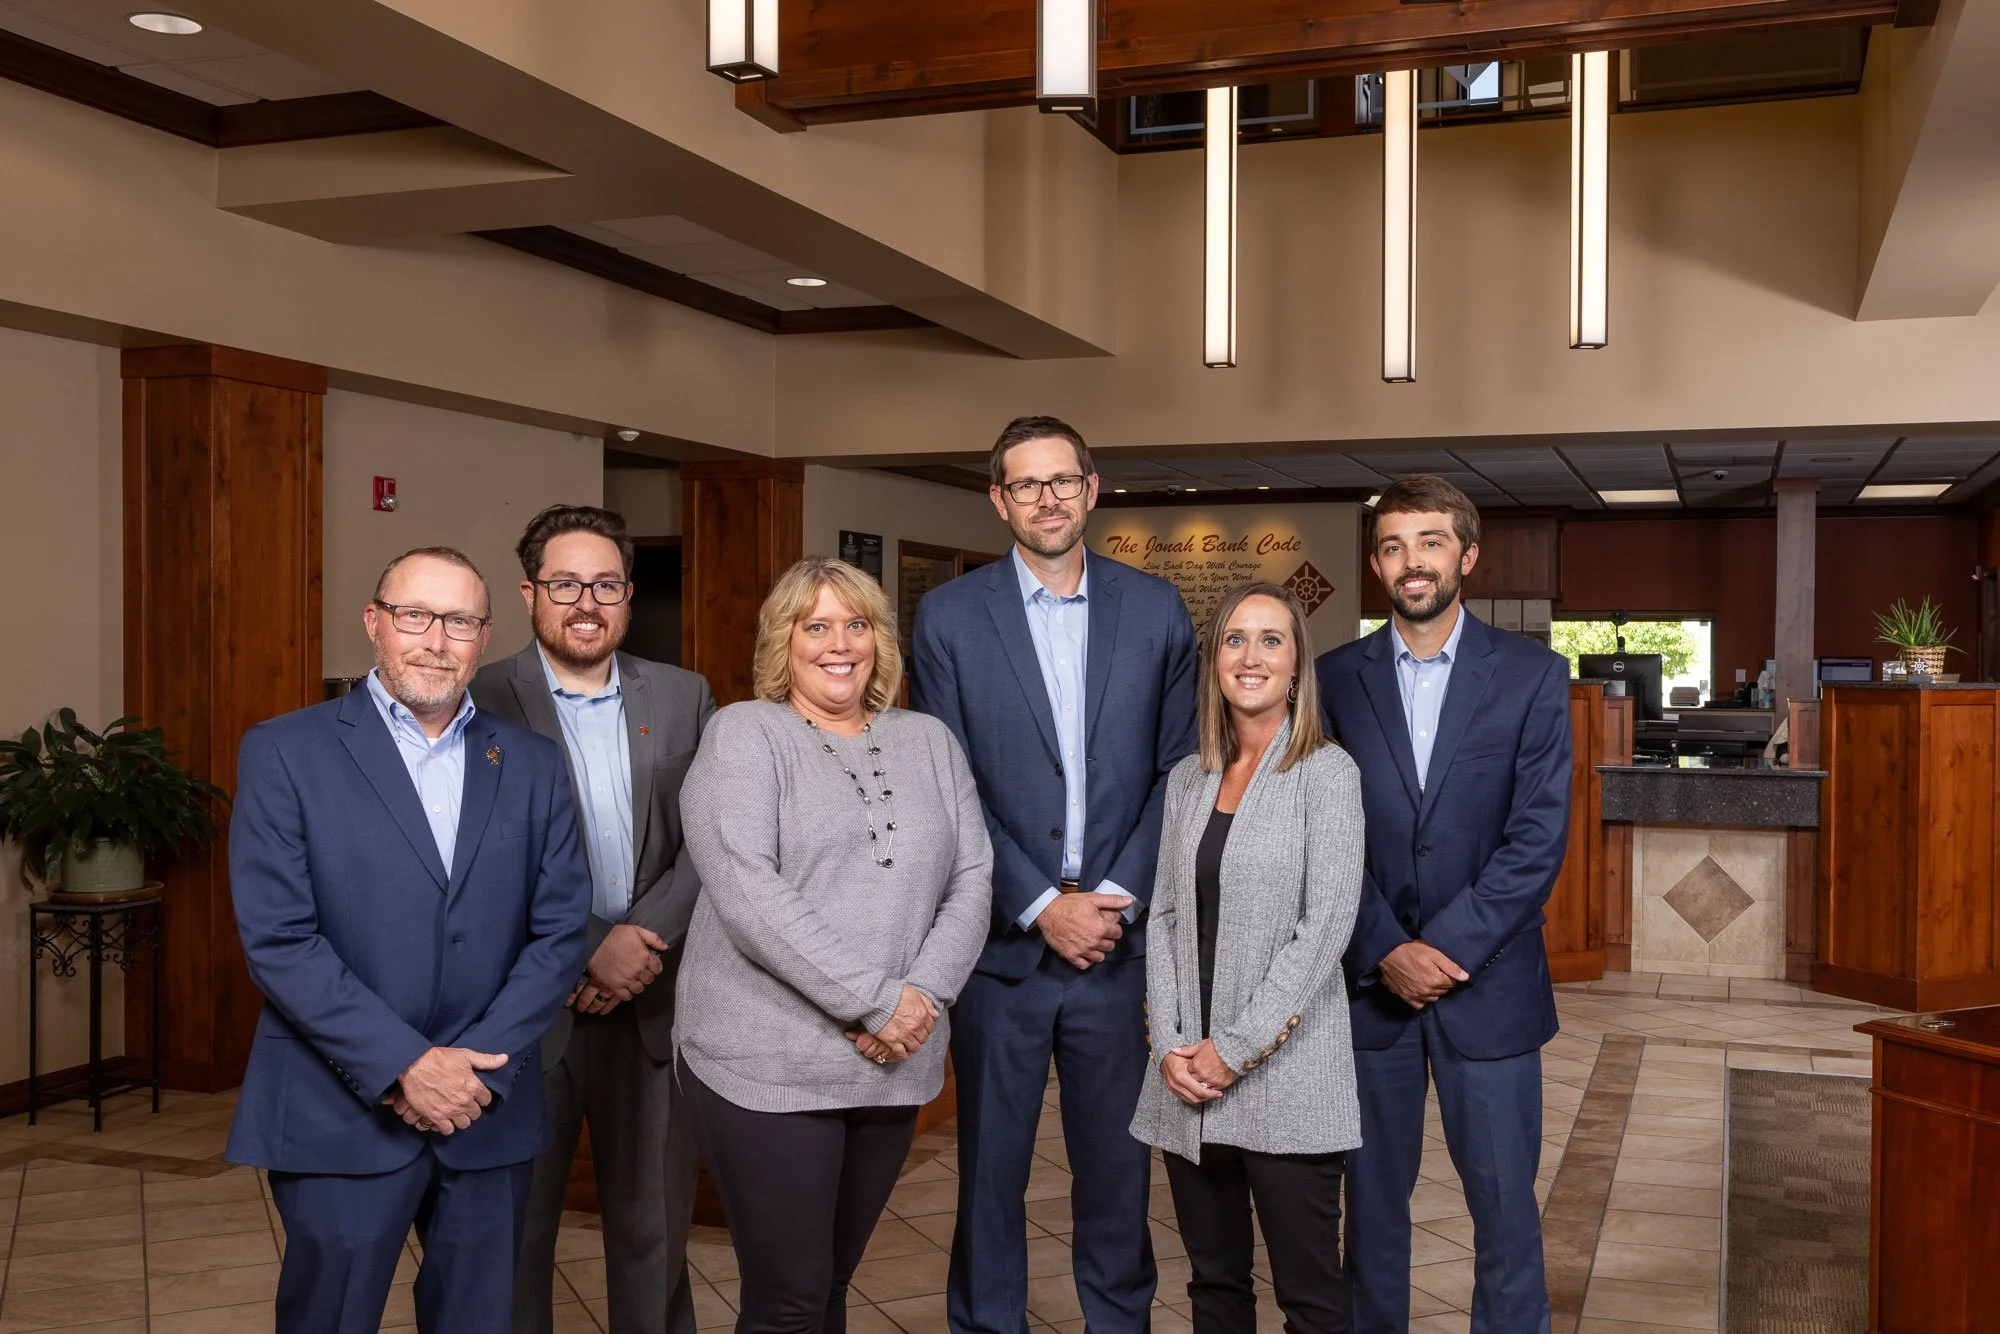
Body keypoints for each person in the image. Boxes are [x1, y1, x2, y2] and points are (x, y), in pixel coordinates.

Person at [225, 547, 592, 1334]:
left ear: (484, 635)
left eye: (459, 621)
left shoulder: (529, 762)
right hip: (341, 1110)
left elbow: (560, 930)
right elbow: (280, 940)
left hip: (485, 1106)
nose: (436, 639)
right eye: (415, 616)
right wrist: (405, 1065)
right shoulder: (287, 751)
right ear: (375, 624)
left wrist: (471, 1072)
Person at [909, 415, 1198, 1334]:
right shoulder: (951, 616)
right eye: (1024, 485)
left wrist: (1109, 899)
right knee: (990, 1174)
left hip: (1116, 949)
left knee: (1117, 1175)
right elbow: (947, 784)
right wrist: (1040, 904)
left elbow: (1178, 770)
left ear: (1092, 487)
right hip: (1002, 953)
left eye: (1061, 480)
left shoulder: (1154, 610)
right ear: (999, 499)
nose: (1046, 498)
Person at [674, 556, 993, 1334]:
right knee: (787, 1297)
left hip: (892, 1060)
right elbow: (750, 894)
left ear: (879, 641)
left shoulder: (929, 740)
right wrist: (879, 1002)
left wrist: (922, 1000)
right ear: (783, 643)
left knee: (831, 1285)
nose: (838, 644)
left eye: (856, 625)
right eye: (814, 627)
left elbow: (974, 875)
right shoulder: (744, 733)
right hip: (766, 1064)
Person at [1315, 476, 1572, 1334]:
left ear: (1465, 555)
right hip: (1367, 994)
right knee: (1372, 1215)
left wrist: (1444, 950)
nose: (1410, 561)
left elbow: (1535, 841)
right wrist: (1386, 947)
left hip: (1490, 990)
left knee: (1504, 1212)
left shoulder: (1532, 675)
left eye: (1428, 542)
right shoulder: (1330, 681)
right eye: (1391, 546)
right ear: (1376, 564)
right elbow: (1320, 835)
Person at [470, 505, 715, 1334]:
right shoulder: (481, 700)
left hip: (652, 1003)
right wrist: (588, 950)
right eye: (566, 583)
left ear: (629, 594)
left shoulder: (684, 696)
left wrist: (638, 945)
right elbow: (477, 861)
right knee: (516, 1239)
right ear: (530, 592)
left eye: (605, 584)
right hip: (526, 1012)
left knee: (653, 1234)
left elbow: (707, 841)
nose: (587, 601)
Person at [1130, 581, 1365, 1334]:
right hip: (1186, 1078)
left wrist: (1230, 1051)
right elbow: (1164, 918)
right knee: (1214, 1284)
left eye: (1272, 640)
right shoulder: (1188, 778)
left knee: (1312, 1297)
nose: (1251, 656)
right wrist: (1170, 1045)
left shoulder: (1328, 774)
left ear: (1297, 663)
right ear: (1214, 662)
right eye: (1234, 639)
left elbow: (1324, 928)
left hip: (1287, 1078)